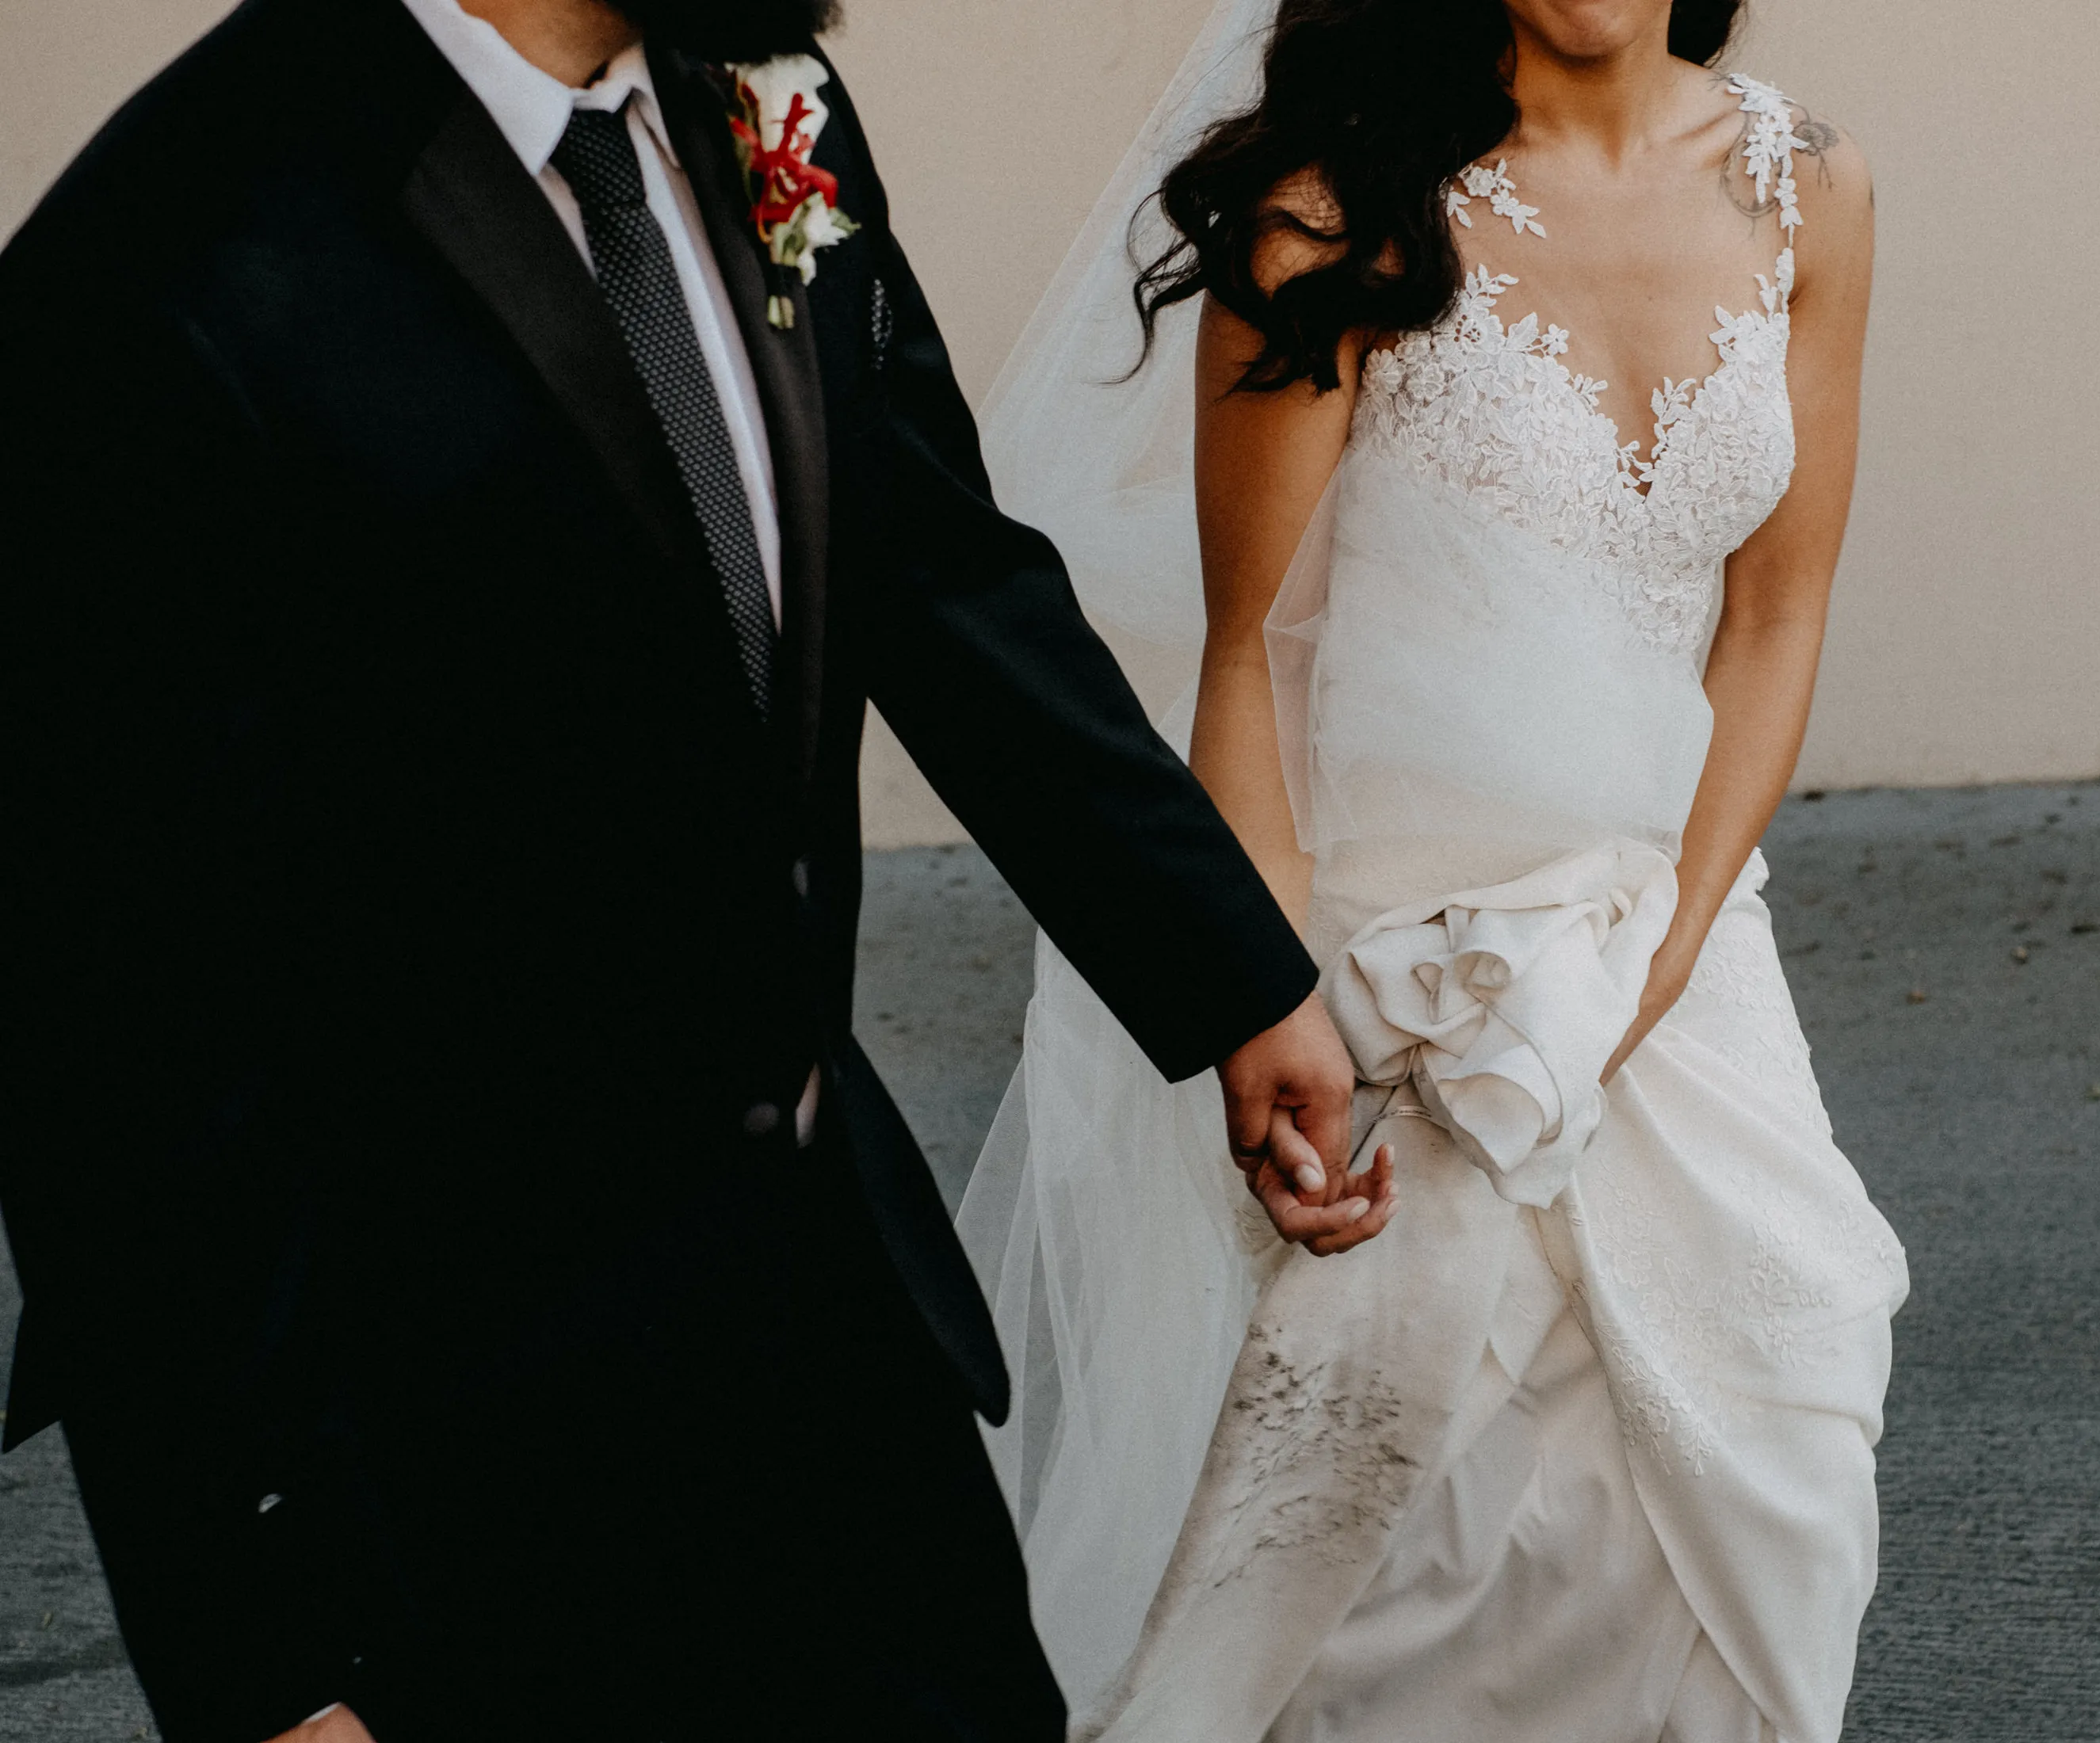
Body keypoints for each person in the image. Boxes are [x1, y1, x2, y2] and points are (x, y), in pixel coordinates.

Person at [0, 0, 1379, 1737]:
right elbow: (115, 1045)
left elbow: (937, 572)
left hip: (837, 1342)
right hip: (463, 1463)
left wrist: (1233, 971)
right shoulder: (174, 262)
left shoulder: (758, 104)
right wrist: (266, 1660)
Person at [957, 0, 1911, 1737]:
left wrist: (1668, 948)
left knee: (1782, 1433)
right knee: (1412, 1557)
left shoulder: (1809, 189)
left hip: (1671, 962)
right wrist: (1277, 1003)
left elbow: (1777, 614)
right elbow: (1243, 654)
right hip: (1393, 987)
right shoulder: (1335, 215)